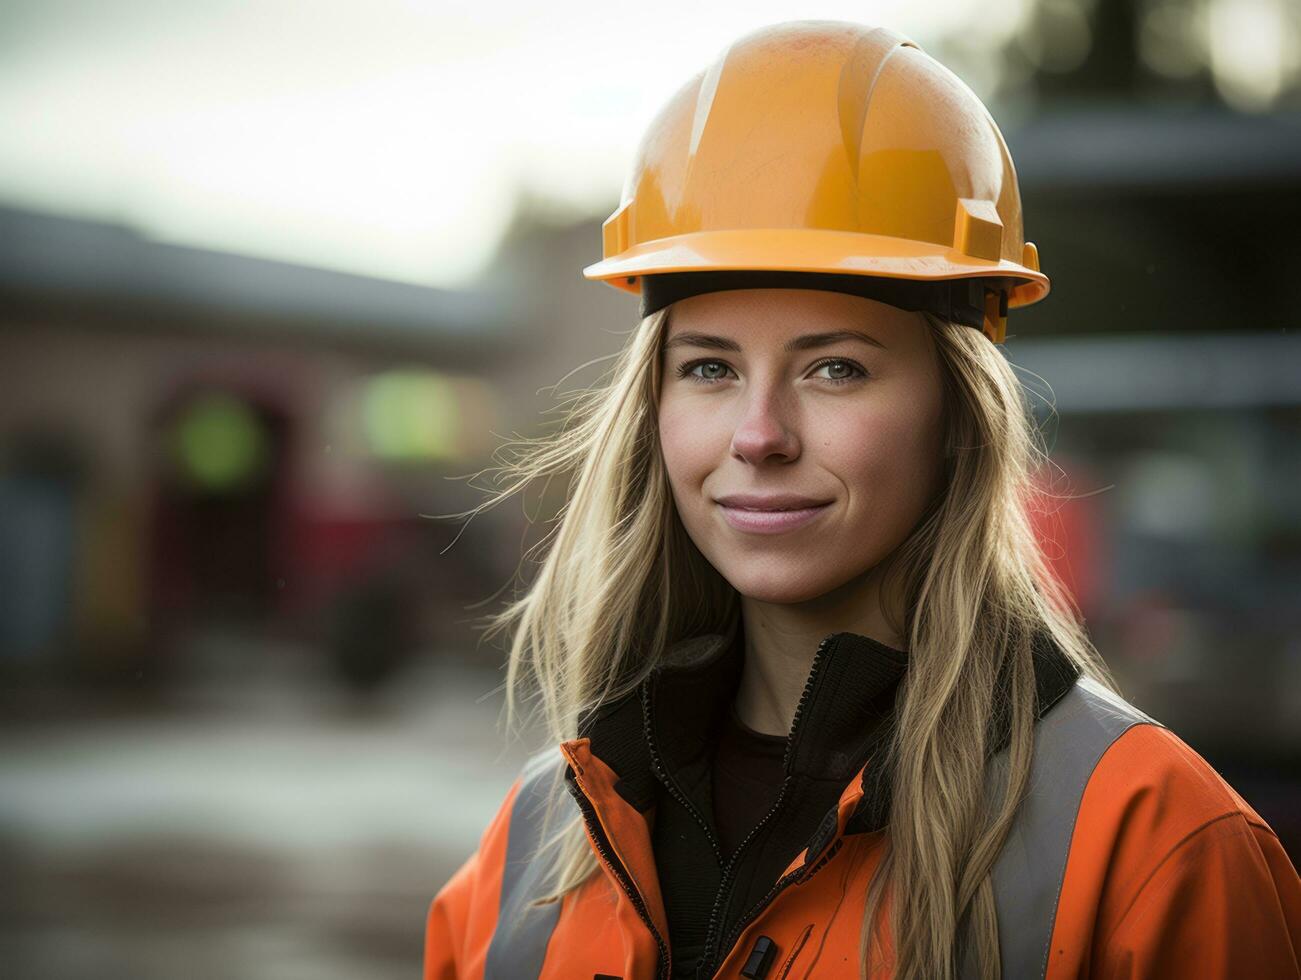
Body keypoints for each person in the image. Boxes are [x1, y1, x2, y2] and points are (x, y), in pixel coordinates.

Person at [423, 20, 1301, 980]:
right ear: (655, 410)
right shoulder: (531, 846)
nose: (758, 434)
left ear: (955, 412)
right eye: (710, 367)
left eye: (836, 368)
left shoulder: (1153, 844)